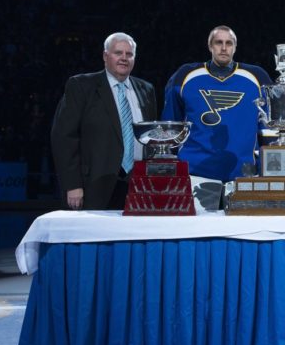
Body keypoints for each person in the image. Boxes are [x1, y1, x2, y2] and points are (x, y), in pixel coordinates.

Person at [51, 32, 158, 210]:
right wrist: (72, 184)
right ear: (105, 56)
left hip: (138, 185)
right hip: (92, 186)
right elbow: (63, 137)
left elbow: (151, 137)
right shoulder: (81, 86)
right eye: (118, 53)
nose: (124, 58)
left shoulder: (146, 89)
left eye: (129, 54)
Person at [161, 25, 272, 182]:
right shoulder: (184, 76)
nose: (224, 48)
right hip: (194, 173)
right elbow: (170, 125)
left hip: (244, 173)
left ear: (235, 47)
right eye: (219, 42)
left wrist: (265, 169)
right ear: (210, 46)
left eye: (229, 43)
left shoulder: (258, 77)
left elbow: (268, 129)